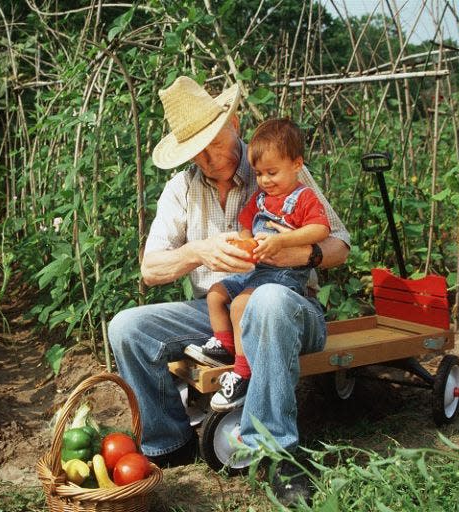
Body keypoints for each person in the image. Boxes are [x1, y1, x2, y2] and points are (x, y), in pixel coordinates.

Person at [108, 76, 350, 500]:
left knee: (268, 301)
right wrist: (199, 251)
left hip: (290, 304)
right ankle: (170, 443)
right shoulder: (181, 188)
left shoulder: (276, 168)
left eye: (212, 144)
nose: (205, 157)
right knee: (126, 327)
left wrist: (302, 255)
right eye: (194, 150)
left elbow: (339, 245)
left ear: (234, 124)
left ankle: (280, 453)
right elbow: (150, 268)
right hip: (218, 307)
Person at [204, 118, 331, 412]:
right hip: (258, 273)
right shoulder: (261, 200)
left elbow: (320, 230)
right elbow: (246, 223)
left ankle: (242, 372)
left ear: (297, 164)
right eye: (259, 174)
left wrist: (283, 242)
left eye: (272, 173)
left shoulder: (303, 198)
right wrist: (247, 242)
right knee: (217, 293)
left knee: (238, 306)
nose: (265, 180)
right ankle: (225, 346)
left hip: (285, 280)